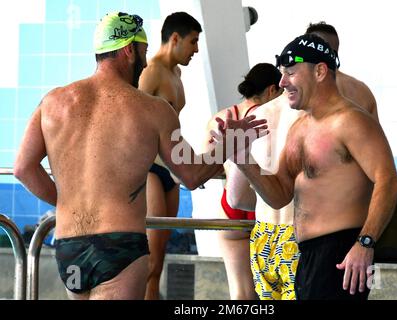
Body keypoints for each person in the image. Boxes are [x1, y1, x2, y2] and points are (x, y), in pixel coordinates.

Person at [13, 11, 266, 300]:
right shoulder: (154, 110)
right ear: (129, 49)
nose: (145, 62)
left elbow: (23, 168)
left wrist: (67, 202)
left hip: (71, 244)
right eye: (143, 52)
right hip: (120, 246)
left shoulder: (53, 102)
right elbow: (192, 174)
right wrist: (230, 143)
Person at [229, 33, 397, 300]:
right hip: (306, 256)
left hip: (343, 254)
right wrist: (242, 158)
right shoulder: (300, 128)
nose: (282, 82)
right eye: (282, 74)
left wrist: (365, 243)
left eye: (291, 72)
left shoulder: (352, 121)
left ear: (320, 71)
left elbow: (389, 182)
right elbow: (279, 195)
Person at [137, 12, 202, 300]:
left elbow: (172, 130)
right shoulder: (150, 72)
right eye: (193, 41)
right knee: (149, 260)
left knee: (159, 257)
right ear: (174, 38)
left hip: (169, 168)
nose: (196, 49)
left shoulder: (176, 74)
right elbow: (131, 121)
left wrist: (195, 161)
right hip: (149, 167)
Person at [204, 63, 282, 300]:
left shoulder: (219, 117)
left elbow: (206, 163)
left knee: (241, 294)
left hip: (232, 204)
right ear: (271, 90)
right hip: (266, 202)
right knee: (274, 290)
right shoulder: (274, 117)